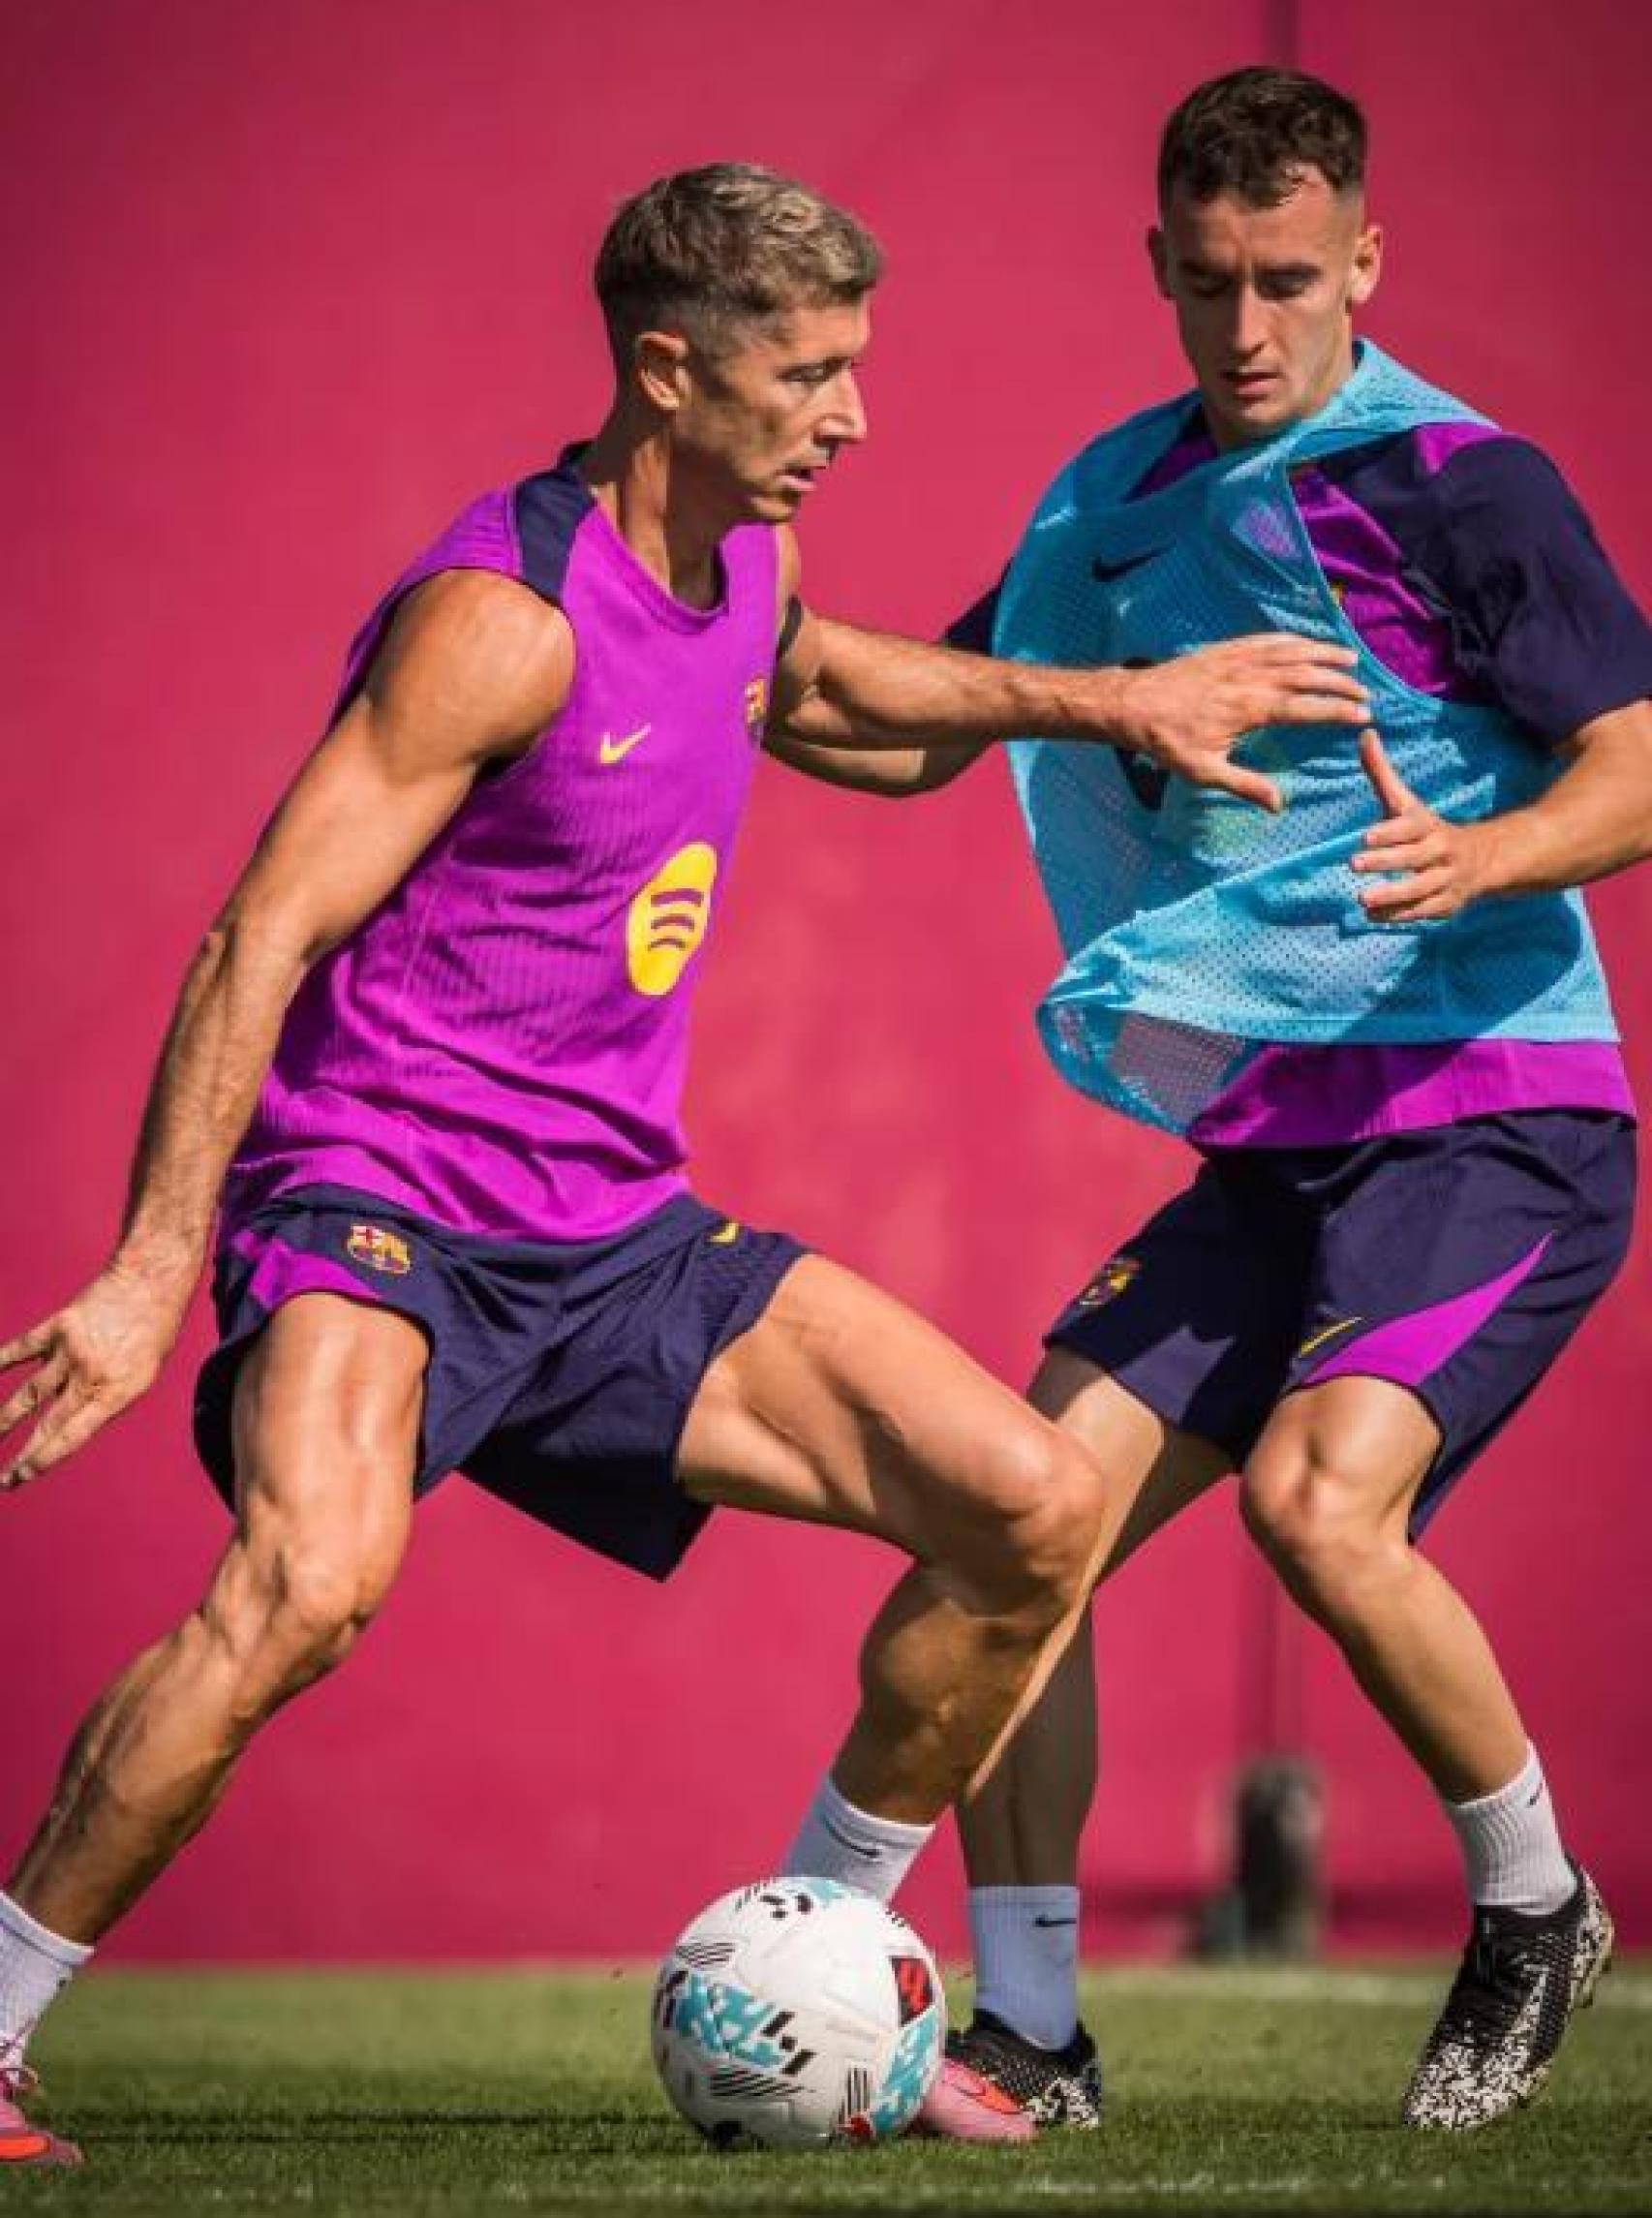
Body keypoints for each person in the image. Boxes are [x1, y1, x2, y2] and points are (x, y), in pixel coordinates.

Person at [0, 163, 1369, 2167]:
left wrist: (1110, 697)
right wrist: (148, 1268)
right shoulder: (501, 620)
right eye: (807, 375)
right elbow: (256, 936)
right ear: (668, 367)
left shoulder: (739, 575)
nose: (850, 416)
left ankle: (812, 1959)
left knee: (1025, 1502)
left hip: (617, 1234)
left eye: (853, 369)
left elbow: (836, 684)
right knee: (305, 1583)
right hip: (385, 1207)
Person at [778, 72, 1652, 2137]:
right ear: (1156, 265)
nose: (1245, 323)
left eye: (1285, 278)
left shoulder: (1455, 479)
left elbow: (1628, 756)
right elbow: (921, 737)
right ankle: (1031, 2035)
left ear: (1363, 258)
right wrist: (697, 657)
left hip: (1492, 1111)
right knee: (1016, 1523)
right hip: (1270, 1150)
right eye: (1205, 281)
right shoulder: (1107, 504)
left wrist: (1491, 855)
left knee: (1314, 1505)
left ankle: (1532, 1904)